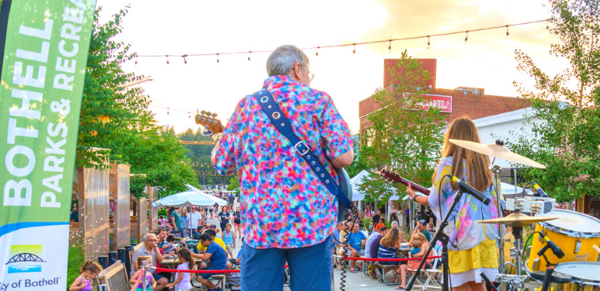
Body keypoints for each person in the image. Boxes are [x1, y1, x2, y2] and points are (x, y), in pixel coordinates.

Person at [212, 45, 353, 290]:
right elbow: (343, 158)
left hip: (261, 225)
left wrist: (219, 141)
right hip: (311, 222)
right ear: (297, 69)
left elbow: (223, 164)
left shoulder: (246, 106)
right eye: (308, 72)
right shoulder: (318, 100)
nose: (309, 78)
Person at [404, 117, 502, 291]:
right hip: (484, 234)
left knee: (458, 287)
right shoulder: (484, 167)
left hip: (460, 233)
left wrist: (414, 196)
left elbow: (435, 200)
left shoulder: (448, 164)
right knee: (479, 285)